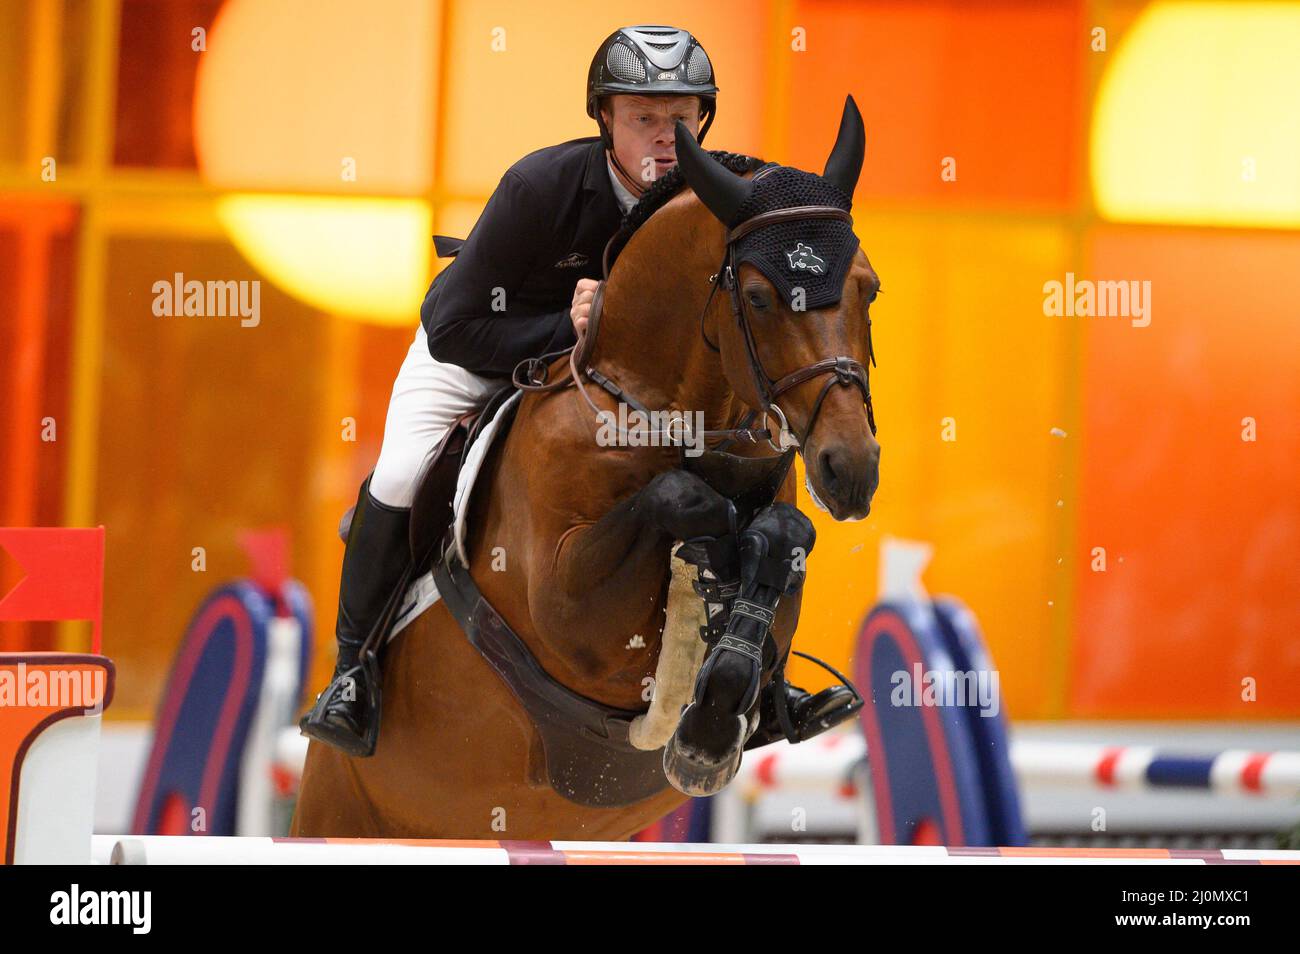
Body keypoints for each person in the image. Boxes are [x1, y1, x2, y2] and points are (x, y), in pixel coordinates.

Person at [300, 25, 855, 757]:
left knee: (739, 463)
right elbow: (449, 324)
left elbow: (787, 204)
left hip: (622, 395)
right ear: (605, 119)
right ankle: (354, 673)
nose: (665, 137)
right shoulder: (541, 187)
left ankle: (766, 681)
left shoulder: (713, 186)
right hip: (486, 353)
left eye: (682, 118)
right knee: (402, 471)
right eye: (644, 119)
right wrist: (565, 328)